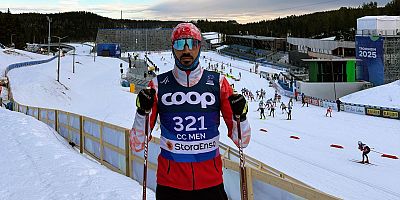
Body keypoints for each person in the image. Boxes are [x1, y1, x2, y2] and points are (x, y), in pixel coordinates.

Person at [130, 23, 251, 200]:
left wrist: (242, 116)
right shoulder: (157, 85)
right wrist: (141, 112)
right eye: (180, 44)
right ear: (173, 48)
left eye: (192, 44)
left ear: (199, 47)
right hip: (170, 185)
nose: (186, 50)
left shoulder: (218, 83)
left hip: (211, 183)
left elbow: (242, 141)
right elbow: (137, 144)